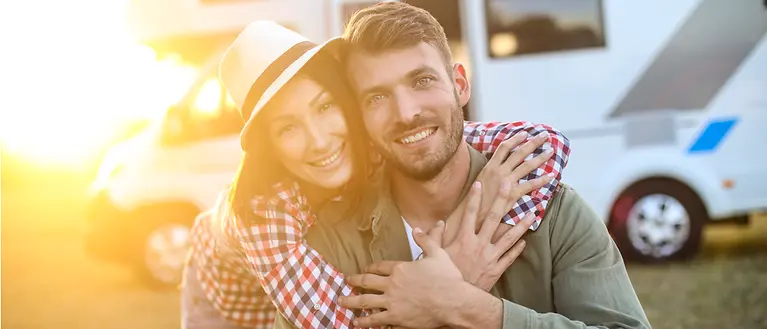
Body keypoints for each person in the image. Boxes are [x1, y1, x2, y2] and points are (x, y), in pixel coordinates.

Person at [266, 2, 651, 329]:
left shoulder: (555, 215)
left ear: (460, 85)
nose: (407, 113)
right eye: (377, 97)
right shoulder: (330, 245)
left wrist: (462, 306)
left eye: (421, 81)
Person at [181, 19, 571, 329]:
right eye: (288, 128)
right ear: (271, 148)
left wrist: (484, 197)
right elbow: (347, 323)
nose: (319, 141)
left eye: (324, 107)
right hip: (230, 304)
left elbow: (543, 142)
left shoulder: (373, 139)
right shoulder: (263, 210)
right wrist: (450, 277)